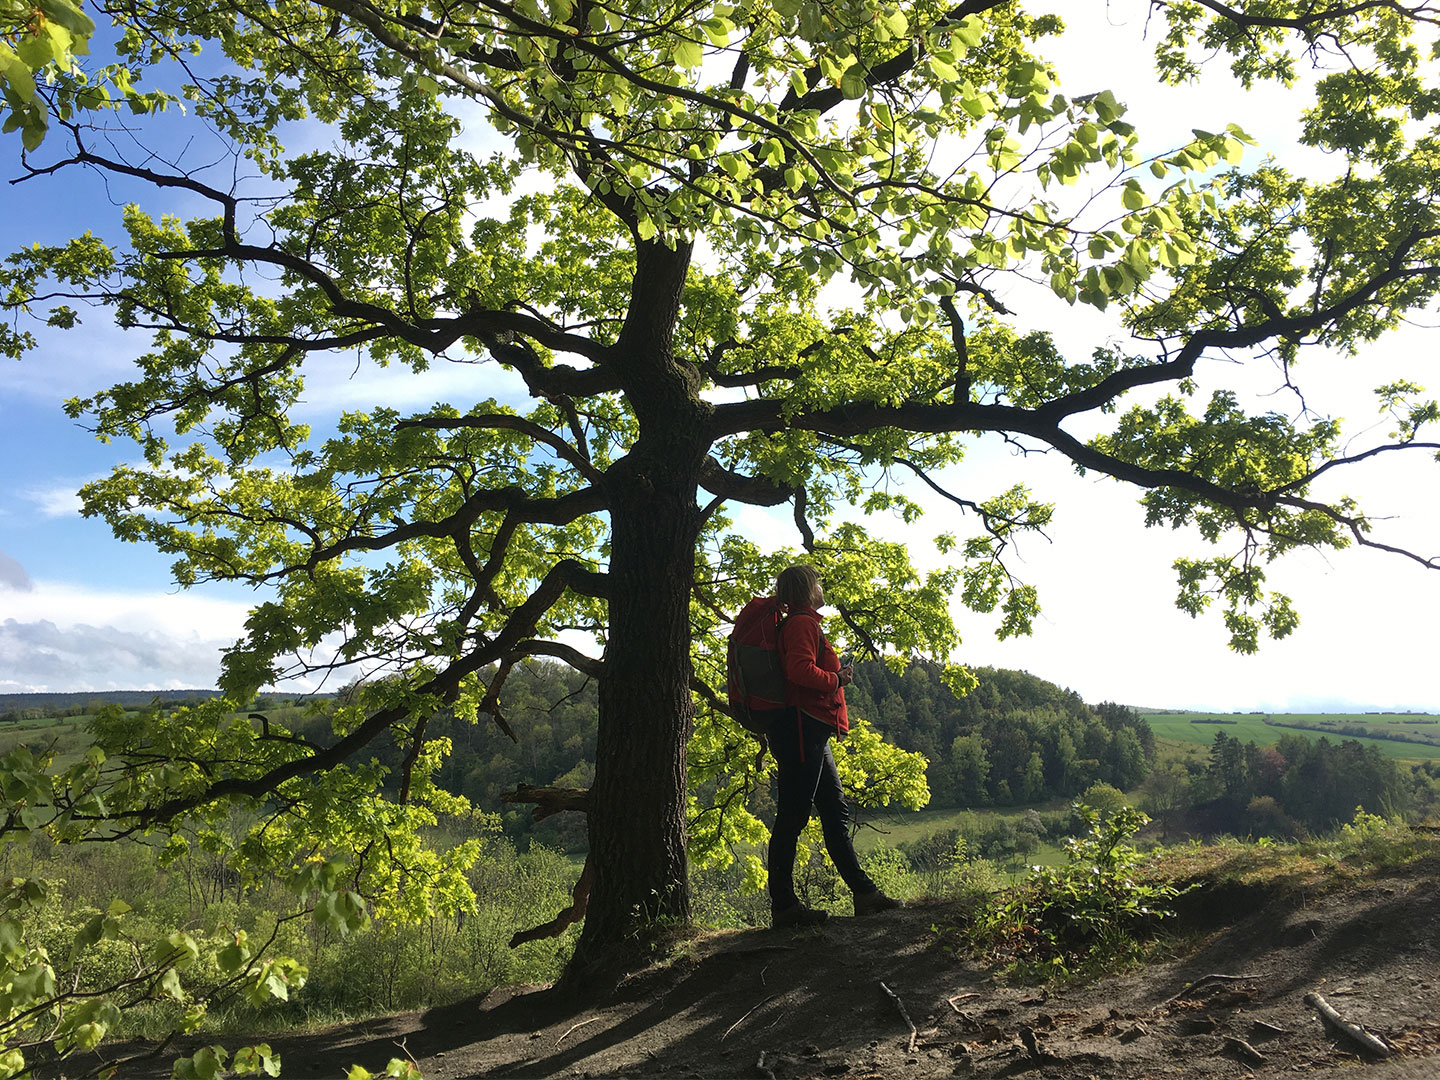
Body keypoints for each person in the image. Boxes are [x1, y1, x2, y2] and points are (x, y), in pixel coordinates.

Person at [763, 564, 902, 928]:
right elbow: (799, 670)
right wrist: (837, 678)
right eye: (817, 582)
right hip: (802, 730)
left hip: (809, 731)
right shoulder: (802, 623)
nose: (821, 586)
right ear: (809, 589)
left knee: (834, 810)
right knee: (793, 817)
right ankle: (784, 907)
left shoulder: (798, 622)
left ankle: (864, 894)